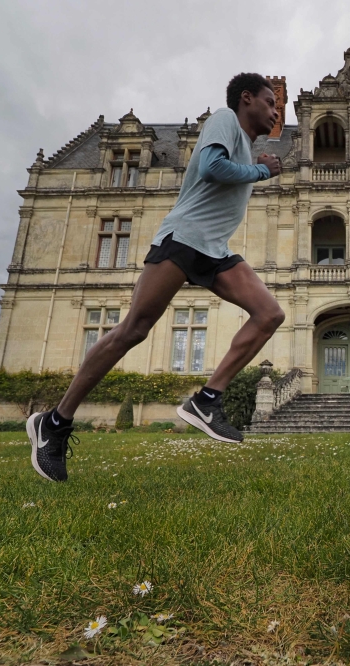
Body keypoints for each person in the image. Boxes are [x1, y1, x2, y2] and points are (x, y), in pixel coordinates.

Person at [27, 73, 284, 482]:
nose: (275, 111)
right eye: (270, 102)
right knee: (133, 329)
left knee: (269, 314)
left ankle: (206, 400)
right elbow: (212, 166)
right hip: (182, 241)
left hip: (214, 250)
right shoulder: (223, 119)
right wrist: (259, 172)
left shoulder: (247, 143)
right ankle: (54, 422)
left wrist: (255, 165)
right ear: (246, 99)